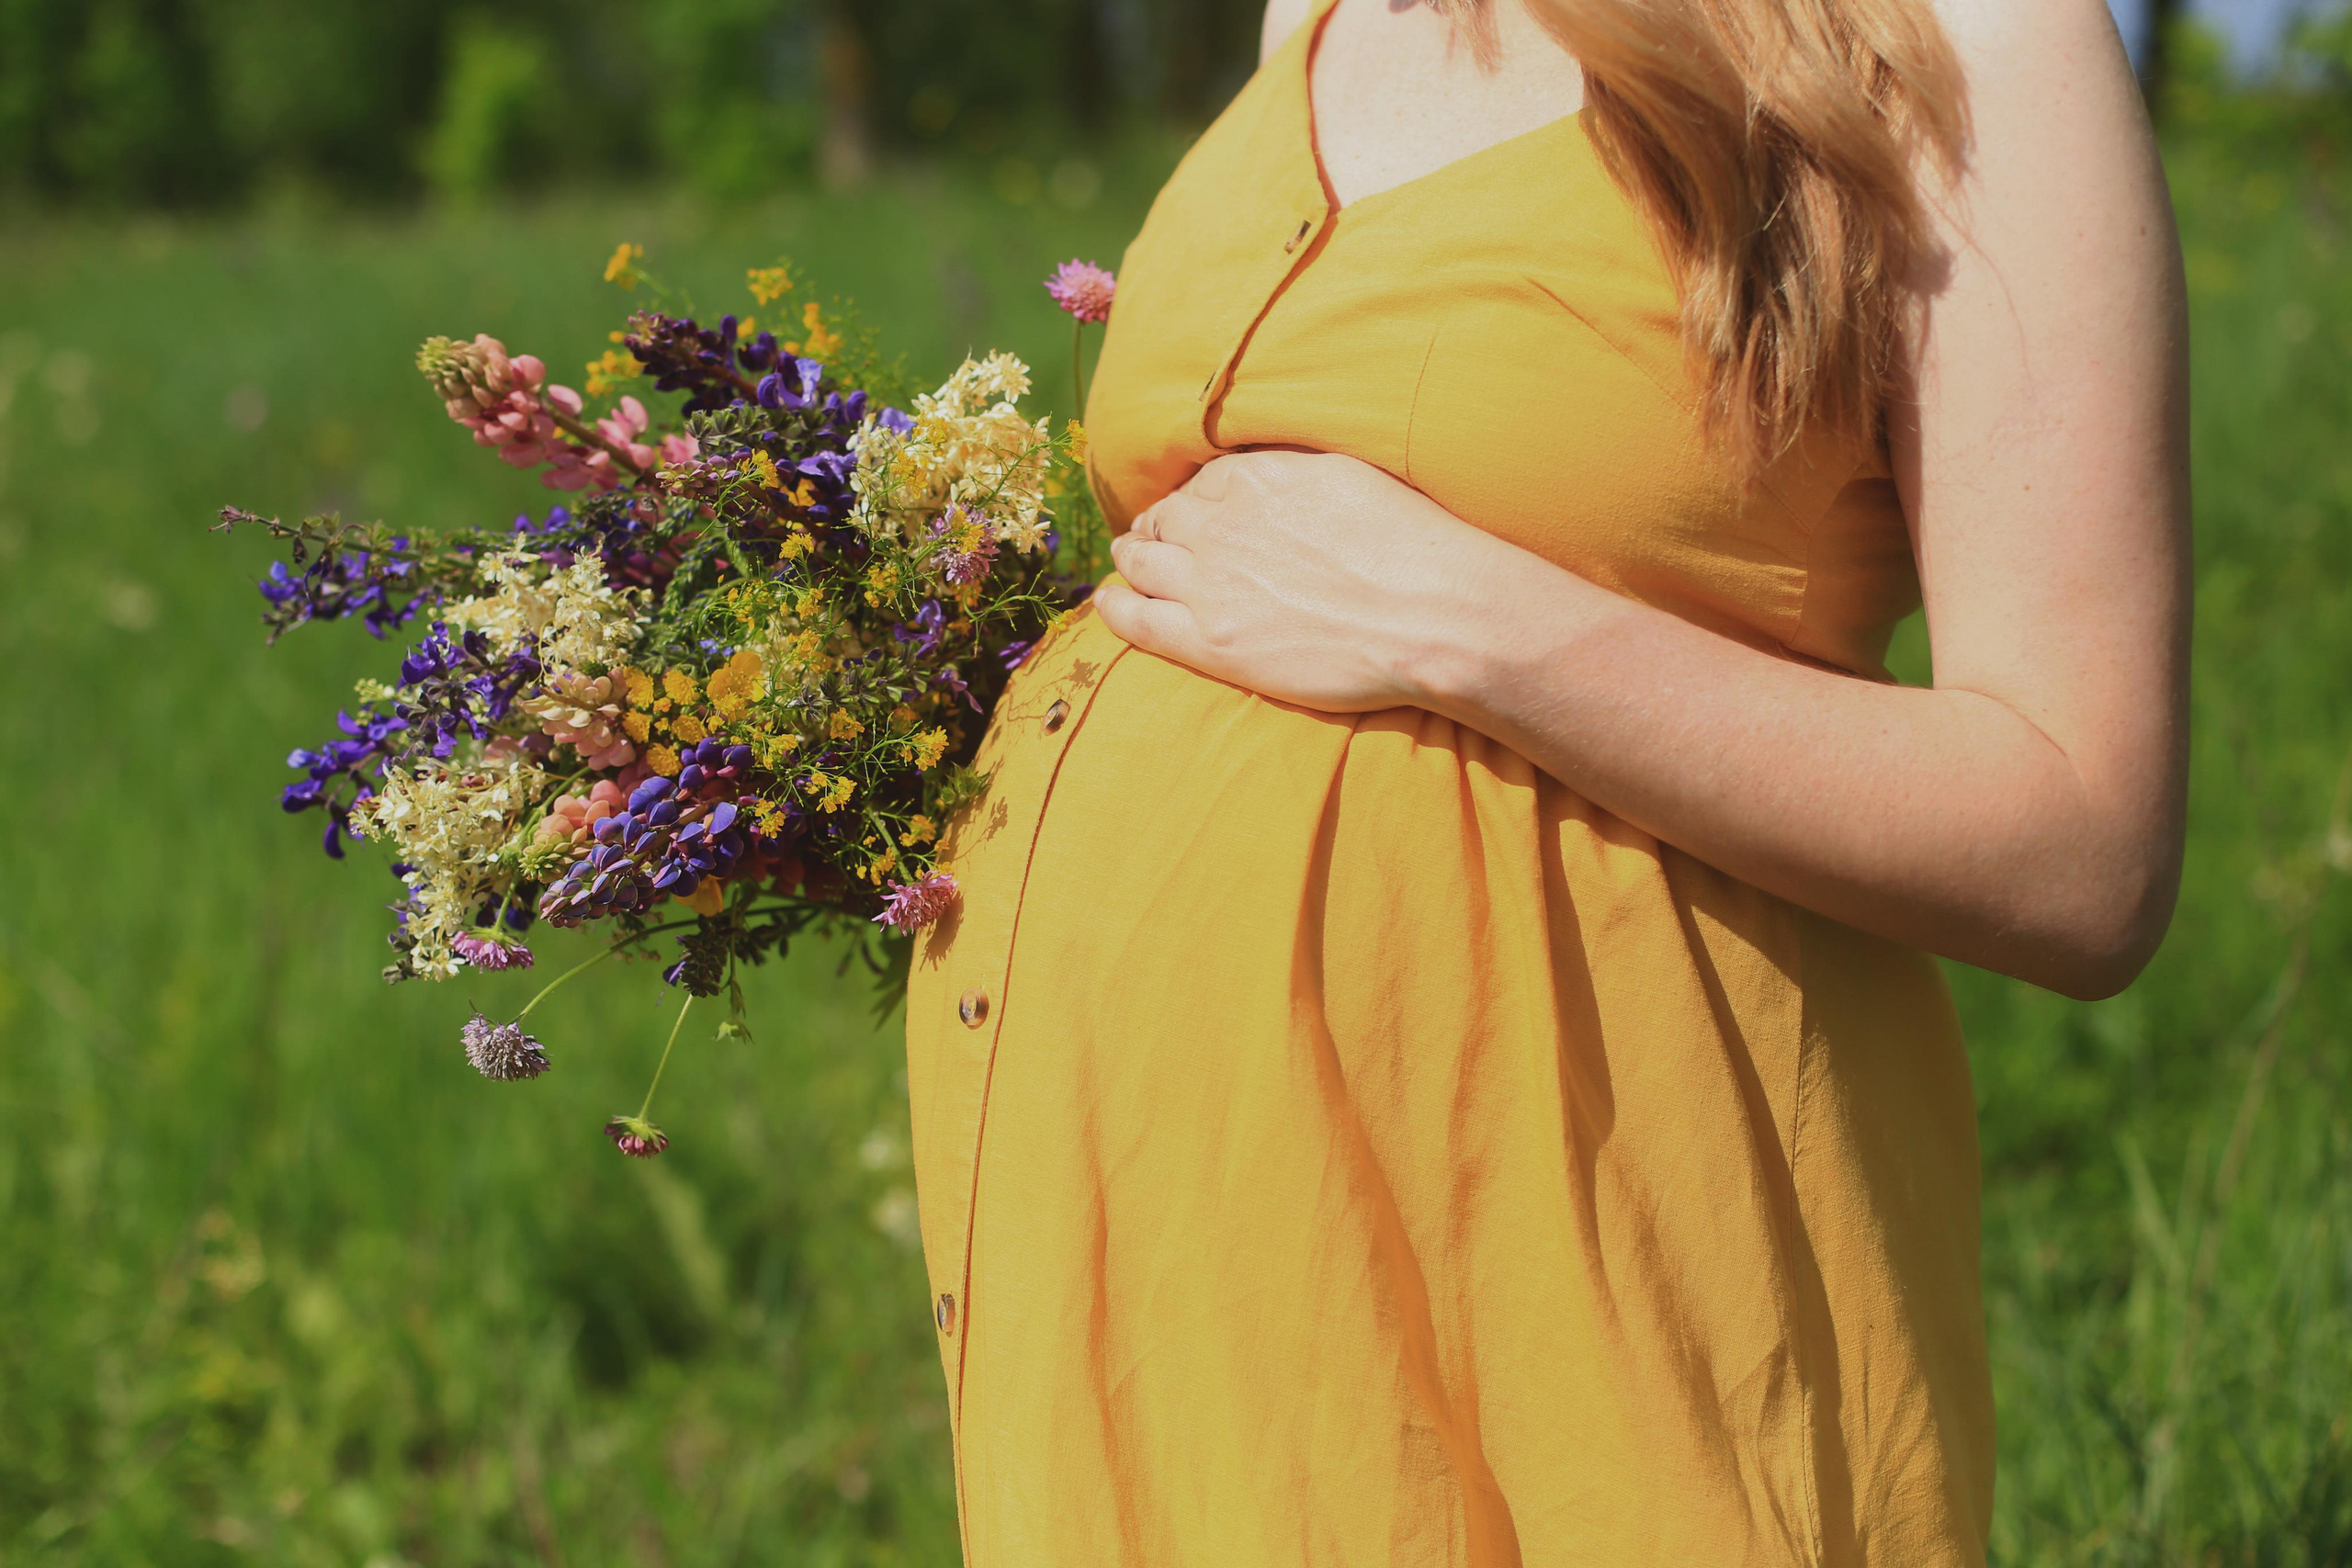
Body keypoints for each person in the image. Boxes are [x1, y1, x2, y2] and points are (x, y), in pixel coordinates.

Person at [904, 0, 2188, 1561]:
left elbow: (2085, 845)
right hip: (1153, 1247)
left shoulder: (1971, 35)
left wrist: (1474, 627)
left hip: (1592, 1264)